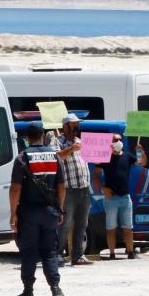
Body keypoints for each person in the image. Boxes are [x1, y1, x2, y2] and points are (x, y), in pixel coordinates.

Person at [9, 123, 66, 296]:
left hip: (28, 213)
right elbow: (61, 186)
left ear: (26, 138)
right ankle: (55, 290)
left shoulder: (22, 157)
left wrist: (13, 213)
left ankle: (28, 291)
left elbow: (15, 188)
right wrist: (60, 208)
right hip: (50, 212)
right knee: (49, 251)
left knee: (29, 252)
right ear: (42, 135)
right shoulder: (55, 156)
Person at [92, 133, 147, 260]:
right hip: (111, 198)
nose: (118, 141)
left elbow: (141, 162)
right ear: (110, 142)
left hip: (125, 198)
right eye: (115, 140)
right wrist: (103, 188)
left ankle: (130, 252)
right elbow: (95, 174)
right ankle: (112, 254)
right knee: (111, 228)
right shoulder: (105, 157)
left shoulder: (127, 156)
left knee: (128, 228)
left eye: (119, 140)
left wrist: (141, 152)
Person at [55, 113, 92, 266]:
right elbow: (56, 157)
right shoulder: (58, 141)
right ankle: (57, 255)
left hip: (84, 188)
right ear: (65, 126)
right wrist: (70, 149)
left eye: (78, 124)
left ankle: (78, 255)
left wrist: (107, 149)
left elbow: (94, 157)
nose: (77, 127)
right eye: (74, 124)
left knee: (82, 223)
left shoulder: (80, 141)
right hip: (69, 189)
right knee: (65, 223)